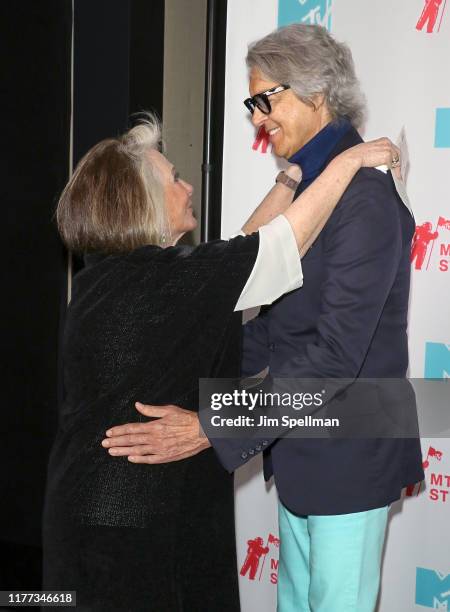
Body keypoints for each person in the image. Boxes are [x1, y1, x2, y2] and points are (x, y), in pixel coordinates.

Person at [105, 25, 424, 612]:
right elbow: (271, 329)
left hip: (349, 458)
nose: (257, 119)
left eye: (265, 99)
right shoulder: (315, 191)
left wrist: (209, 425)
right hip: (303, 452)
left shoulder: (366, 200)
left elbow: (333, 356)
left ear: (315, 92)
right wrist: (176, 385)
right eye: (252, 104)